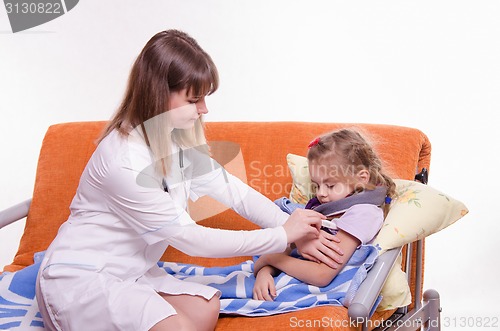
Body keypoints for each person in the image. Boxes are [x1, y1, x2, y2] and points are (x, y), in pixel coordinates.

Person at [35, 29, 338, 331]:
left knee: (205, 309)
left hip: (130, 271)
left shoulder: (172, 142)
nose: (204, 109)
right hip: (81, 278)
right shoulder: (124, 161)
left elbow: (236, 193)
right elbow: (191, 239)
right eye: (194, 99)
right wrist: (282, 236)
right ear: (158, 94)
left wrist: (295, 228)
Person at [252, 129, 395, 301]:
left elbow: (322, 275)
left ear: (361, 178)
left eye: (330, 185)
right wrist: (265, 272)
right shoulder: (326, 208)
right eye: (316, 185)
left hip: (318, 286)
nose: (321, 193)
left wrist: (271, 260)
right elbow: (289, 251)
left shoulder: (363, 213)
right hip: (287, 274)